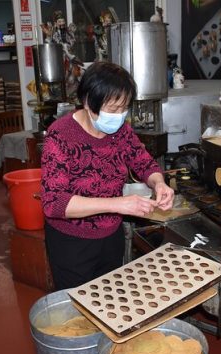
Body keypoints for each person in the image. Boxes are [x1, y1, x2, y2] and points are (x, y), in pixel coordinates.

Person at [41, 62, 174, 291]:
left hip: (111, 237)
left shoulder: (120, 130)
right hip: (72, 244)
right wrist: (118, 204)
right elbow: (54, 204)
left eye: (124, 109)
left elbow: (143, 161)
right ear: (87, 102)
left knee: (109, 302)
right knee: (78, 311)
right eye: (112, 109)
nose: (119, 116)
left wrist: (159, 183)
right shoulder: (60, 136)